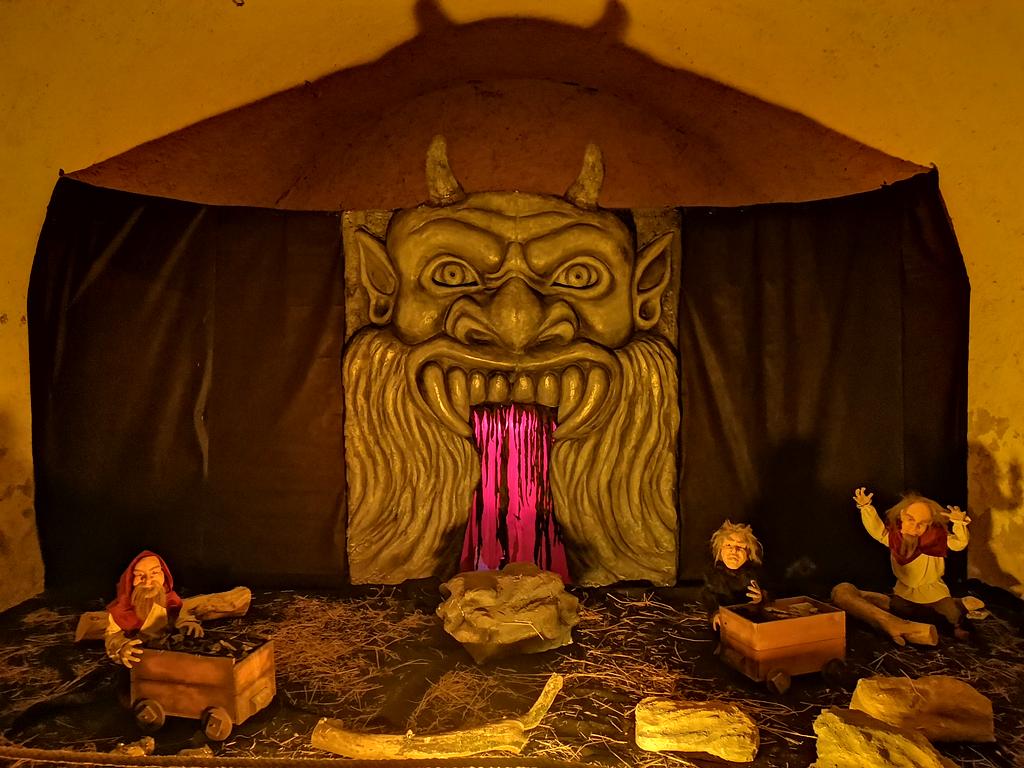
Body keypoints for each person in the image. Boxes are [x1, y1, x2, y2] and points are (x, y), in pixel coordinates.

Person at [853, 487, 973, 638]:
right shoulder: (894, 538)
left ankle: (957, 619)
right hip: (906, 590)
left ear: (929, 524)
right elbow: (876, 529)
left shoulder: (935, 540)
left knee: (951, 615)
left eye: (921, 524)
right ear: (902, 515)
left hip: (933, 591)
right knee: (899, 610)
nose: (914, 527)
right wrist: (866, 507)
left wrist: (959, 524)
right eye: (910, 519)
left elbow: (958, 544)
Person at [104, 550, 203, 667]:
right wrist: (122, 647)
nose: (148, 581)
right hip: (140, 658)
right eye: (139, 575)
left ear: (163, 574)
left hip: (169, 653)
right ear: (130, 578)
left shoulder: (171, 601)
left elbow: (180, 616)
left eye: (154, 573)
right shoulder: (120, 611)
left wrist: (187, 624)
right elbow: (112, 636)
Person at [701, 521, 765, 630]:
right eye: (728, 545)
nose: (734, 551)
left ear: (749, 553)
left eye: (740, 546)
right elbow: (709, 597)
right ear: (720, 550)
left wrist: (760, 599)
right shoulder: (714, 576)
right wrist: (715, 613)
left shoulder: (754, 575)